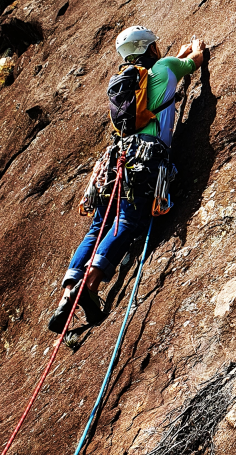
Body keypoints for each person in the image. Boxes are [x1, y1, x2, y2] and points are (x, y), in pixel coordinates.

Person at [48, 26, 206, 333]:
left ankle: (69, 291)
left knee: (98, 225)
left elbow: (163, 71)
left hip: (115, 159)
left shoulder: (124, 83)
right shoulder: (164, 67)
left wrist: (176, 56)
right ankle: (90, 287)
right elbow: (192, 63)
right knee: (127, 220)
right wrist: (195, 47)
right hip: (145, 158)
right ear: (150, 48)